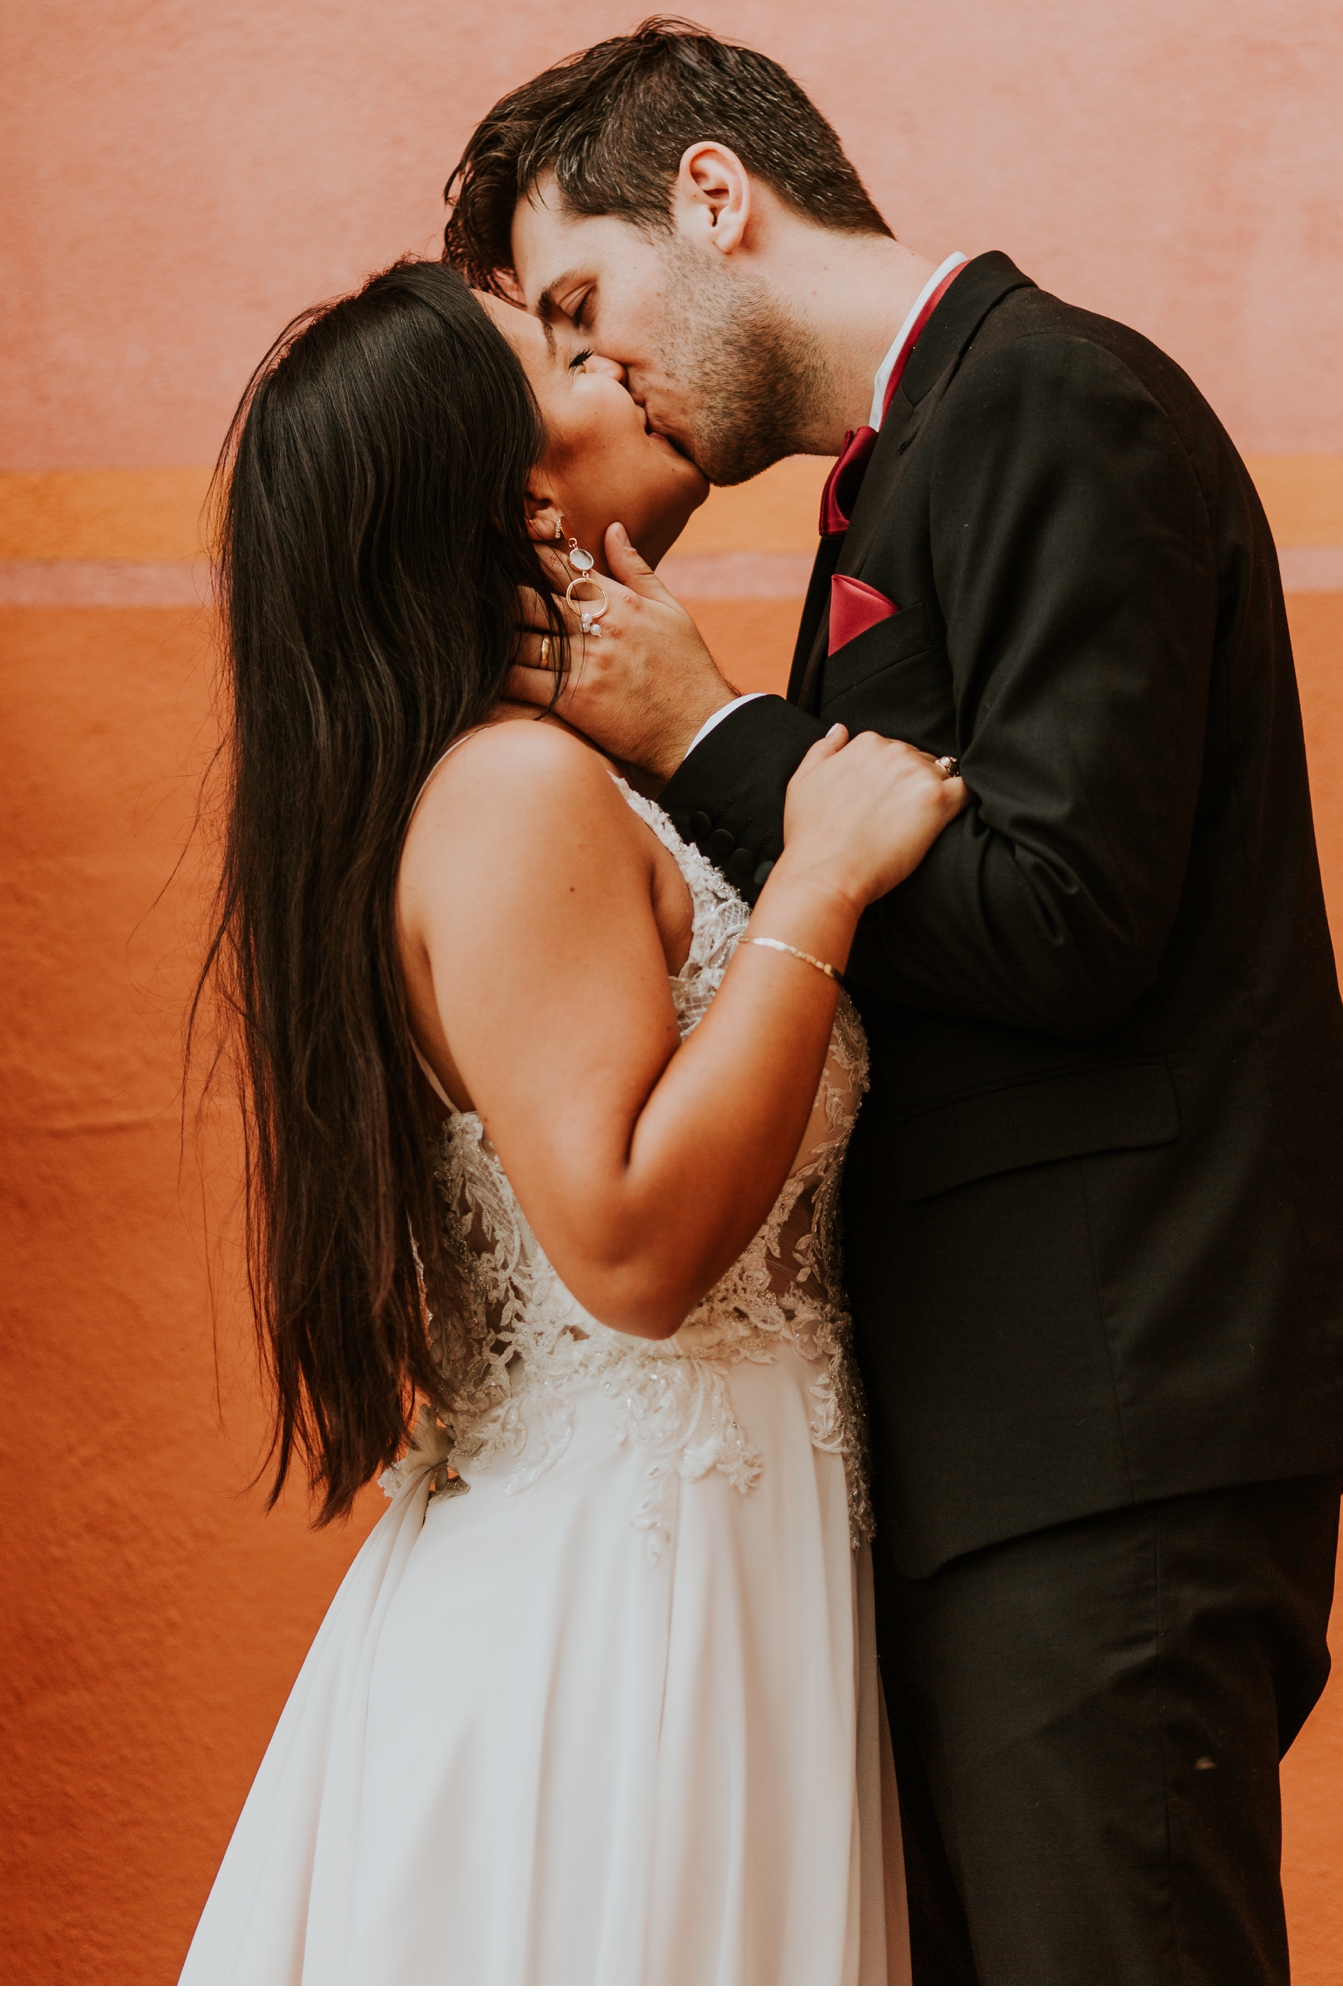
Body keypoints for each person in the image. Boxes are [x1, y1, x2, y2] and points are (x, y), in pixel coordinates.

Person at [442, 18, 1343, 1986]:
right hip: (1018, 1445)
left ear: (716, 199)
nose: (600, 372)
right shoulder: (905, 477)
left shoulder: (1061, 403)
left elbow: (1071, 919)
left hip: (1114, 1421)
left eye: (586, 303)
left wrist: (709, 722)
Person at [179, 257, 967, 1985]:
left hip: (720, 1571)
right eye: (557, 350)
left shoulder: (553, 772)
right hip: (627, 1620)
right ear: (512, 490)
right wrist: (819, 889)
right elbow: (627, 1248)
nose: (614, 355)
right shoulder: (511, 792)